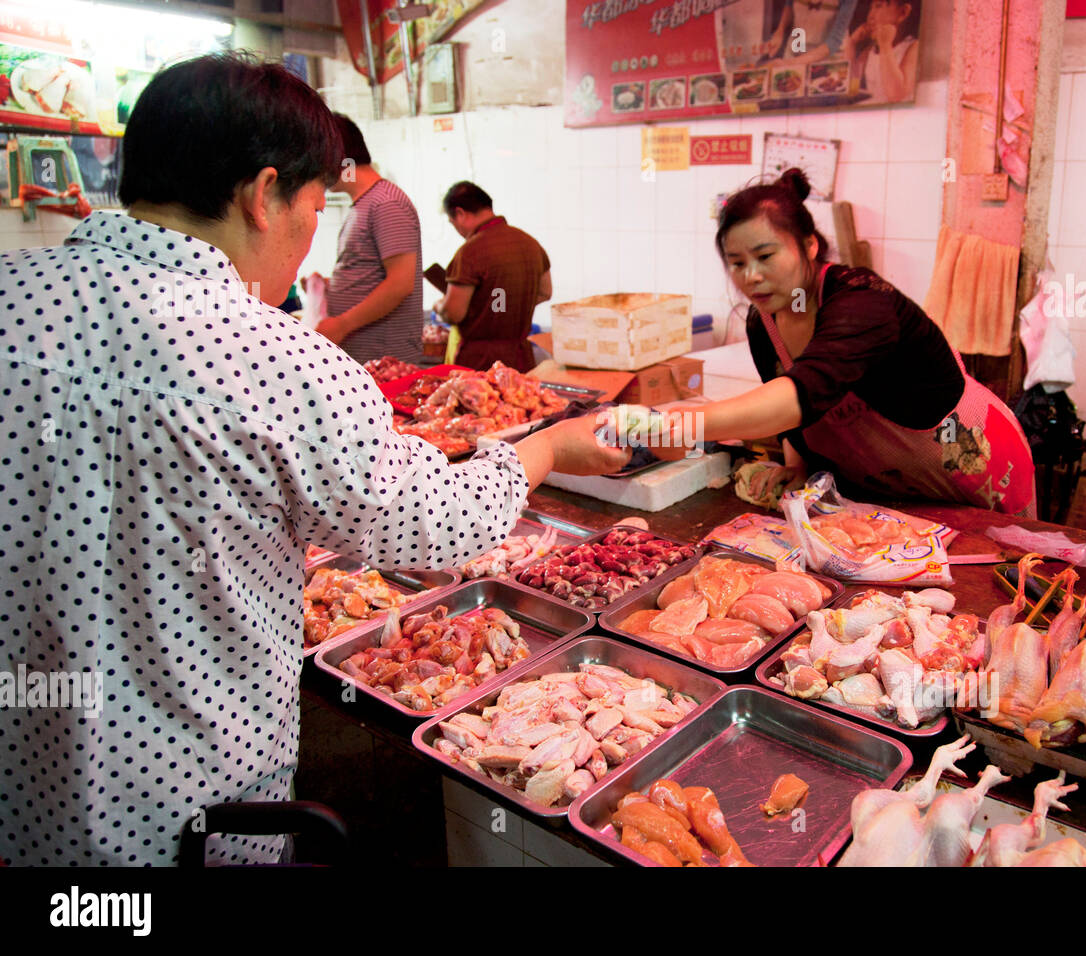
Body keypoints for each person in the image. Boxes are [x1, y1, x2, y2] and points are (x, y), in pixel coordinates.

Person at [0, 53, 627, 867]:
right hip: (197, 816)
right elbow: (426, 525)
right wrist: (541, 449)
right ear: (264, 196)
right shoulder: (277, 359)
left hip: (28, 788)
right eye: (311, 207)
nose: (309, 238)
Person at [656, 168, 1036, 517]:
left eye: (765, 256)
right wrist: (796, 467)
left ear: (808, 246)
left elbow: (801, 393)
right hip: (891, 492)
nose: (751, 276)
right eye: (736, 263)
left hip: (973, 470)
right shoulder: (763, 323)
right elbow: (790, 413)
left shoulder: (863, 301)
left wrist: (672, 424)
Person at [313, 114, 424, 364]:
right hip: (365, 354)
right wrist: (330, 286)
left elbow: (400, 284)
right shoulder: (364, 203)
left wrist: (342, 324)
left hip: (384, 357)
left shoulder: (386, 203)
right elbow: (370, 273)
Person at [437, 181, 551, 372]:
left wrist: (440, 306)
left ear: (460, 214)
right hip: (520, 359)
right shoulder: (530, 243)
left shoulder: (470, 252)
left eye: (453, 223)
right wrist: (506, 309)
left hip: (480, 364)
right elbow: (545, 292)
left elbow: (454, 313)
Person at [848, 0, 919, 103]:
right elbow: (852, 86)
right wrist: (851, 44)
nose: (870, 16)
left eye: (878, 6)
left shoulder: (913, 47)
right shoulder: (870, 51)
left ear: (903, 12)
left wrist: (885, 46)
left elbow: (896, 96)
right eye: (870, 8)